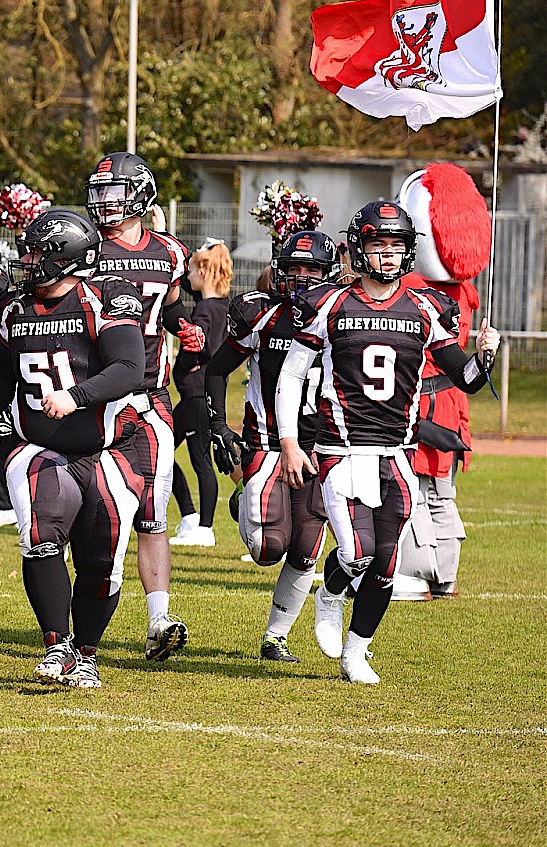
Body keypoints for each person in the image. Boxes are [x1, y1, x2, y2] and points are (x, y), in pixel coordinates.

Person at [277, 201, 498, 683]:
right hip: (340, 448)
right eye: (378, 243)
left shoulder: (425, 307)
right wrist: (290, 442)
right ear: (359, 247)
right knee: (357, 552)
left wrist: (484, 356)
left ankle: (357, 651)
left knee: (386, 561)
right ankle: (331, 590)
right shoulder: (330, 303)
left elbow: (465, 377)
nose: (388, 253)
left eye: (396, 244)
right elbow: (292, 375)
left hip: (396, 450)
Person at [0, 209, 145, 687]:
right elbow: (0, 375)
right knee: (43, 530)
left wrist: (76, 396)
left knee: (101, 555)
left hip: (109, 446)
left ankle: (85, 652)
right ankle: (56, 644)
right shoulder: (13, 309)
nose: (27, 260)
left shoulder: (107, 296)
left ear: (67, 259)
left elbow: (129, 366)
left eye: (39, 253)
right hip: (37, 444)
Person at [86, 152, 199, 661]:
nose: (105, 203)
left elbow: (170, 307)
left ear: (139, 193)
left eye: (113, 192)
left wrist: (183, 327)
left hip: (151, 393)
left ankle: (159, 619)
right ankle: (82, 612)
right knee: (93, 510)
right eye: (101, 192)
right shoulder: (83, 247)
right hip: (93, 394)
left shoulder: (171, 251)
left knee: (153, 512)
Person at [205, 230, 335, 662]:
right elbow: (217, 369)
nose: (301, 278)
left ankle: (275, 637)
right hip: (266, 440)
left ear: (327, 273)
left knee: (306, 548)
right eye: (293, 268)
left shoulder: (343, 317)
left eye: (311, 270)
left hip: (322, 445)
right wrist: (219, 424)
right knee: (268, 548)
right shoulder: (262, 315)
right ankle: (245, 500)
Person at [168, 240, 233, 547]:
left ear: (204, 270)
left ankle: (204, 526)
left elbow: (199, 346)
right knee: (163, 454)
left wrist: (185, 363)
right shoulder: (225, 306)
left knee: (199, 460)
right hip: (199, 394)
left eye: (192, 268)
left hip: (197, 394)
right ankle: (191, 517)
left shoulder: (206, 310)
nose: (186, 274)